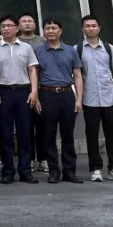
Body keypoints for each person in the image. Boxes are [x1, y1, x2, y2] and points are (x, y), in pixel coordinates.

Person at [77, 15, 113, 183]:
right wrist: (78, 98)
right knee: (91, 135)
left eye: (94, 26)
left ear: (99, 28)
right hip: (89, 99)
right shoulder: (78, 49)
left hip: (109, 98)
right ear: (83, 29)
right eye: (87, 26)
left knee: (112, 134)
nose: (91, 28)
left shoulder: (109, 48)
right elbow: (77, 75)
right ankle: (96, 168)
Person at [33, 18, 83, 184]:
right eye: (47, 28)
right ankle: (54, 171)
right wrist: (36, 97)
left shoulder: (71, 51)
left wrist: (79, 99)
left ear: (60, 31)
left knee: (68, 135)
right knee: (49, 134)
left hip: (67, 95)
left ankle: (69, 171)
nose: (51, 31)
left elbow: (77, 75)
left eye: (54, 28)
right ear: (43, 32)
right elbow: (34, 75)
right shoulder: (38, 51)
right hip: (47, 95)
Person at [0, 15, 39, 184]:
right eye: (3, 26)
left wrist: (34, 91)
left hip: (23, 91)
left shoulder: (26, 47)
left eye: (9, 26)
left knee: (25, 133)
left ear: (17, 28)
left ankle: (25, 170)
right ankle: (8, 171)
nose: (6, 29)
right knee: (5, 134)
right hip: (3, 92)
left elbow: (32, 70)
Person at [18, 12, 48, 173]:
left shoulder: (43, 41)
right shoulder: (15, 41)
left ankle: (43, 159)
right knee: (25, 126)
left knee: (42, 125)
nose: (27, 23)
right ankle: (28, 159)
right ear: (18, 25)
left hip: (42, 87)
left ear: (35, 25)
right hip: (23, 88)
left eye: (30, 21)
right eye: (24, 21)